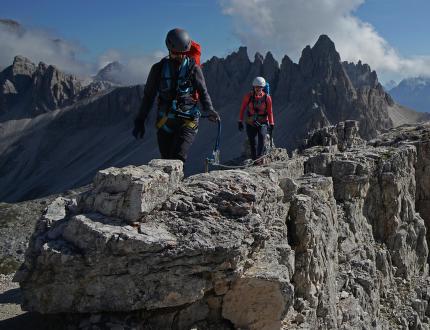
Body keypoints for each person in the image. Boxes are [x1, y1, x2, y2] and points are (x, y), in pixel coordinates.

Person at [133, 28, 219, 162]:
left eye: (182, 53)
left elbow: (203, 92)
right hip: (165, 121)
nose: (179, 56)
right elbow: (148, 96)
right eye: (176, 53)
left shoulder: (193, 68)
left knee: (178, 157)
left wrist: (209, 109)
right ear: (169, 50)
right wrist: (140, 120)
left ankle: (176, 181)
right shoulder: (158, 69)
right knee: (166, 160)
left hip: (188, 121)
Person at [238, 77, 274, 160]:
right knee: (252, 139)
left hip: (263, 121)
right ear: (253, 87)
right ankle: (255, 159)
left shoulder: (267, 98)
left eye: (260, 87)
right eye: (256, 87)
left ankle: (259, 157)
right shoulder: (248, 96)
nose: (258, 89)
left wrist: (272, 123)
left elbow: (270, 111)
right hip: (251, 121)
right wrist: (240, 121)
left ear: (263, 88)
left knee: (262, 136)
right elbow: (242, 109)